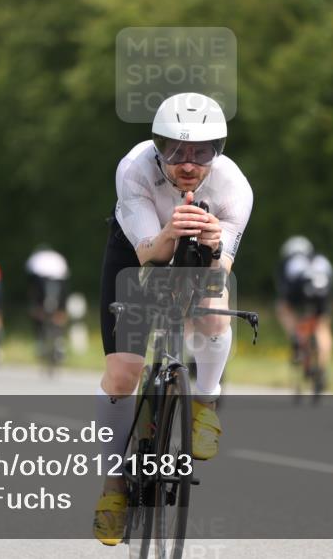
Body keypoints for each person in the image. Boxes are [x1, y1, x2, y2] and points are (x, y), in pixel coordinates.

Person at [93, 92, 253, 545]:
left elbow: (219, 276)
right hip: (137, 248)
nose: (187, 164)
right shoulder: (134, 169)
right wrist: (171, 231)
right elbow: (148, 255)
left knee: (214, 311)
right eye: (175, 150)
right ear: (157, 146)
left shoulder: (233, 188)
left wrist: (213, 245)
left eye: (201, 153)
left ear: (218, 151)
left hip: (201, 249)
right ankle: (113, 486)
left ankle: (206, 403)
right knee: (123, 374)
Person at [275, 235, 333, 391]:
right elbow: (331, 283)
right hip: (323, 288)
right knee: (322, 326)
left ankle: (296, 337)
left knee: (283, 309)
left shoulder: (290, 261)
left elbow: (284, 290)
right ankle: (322, 369)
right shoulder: (322, 259)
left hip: (300, 286)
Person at [25, 246, 70, 364]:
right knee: (60, 313)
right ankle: (60, 342)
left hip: (40, 280)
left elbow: (30, 282)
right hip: (60, 281)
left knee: (37, 310)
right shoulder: (58, 257)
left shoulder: (35, 258)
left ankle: (39, 342)